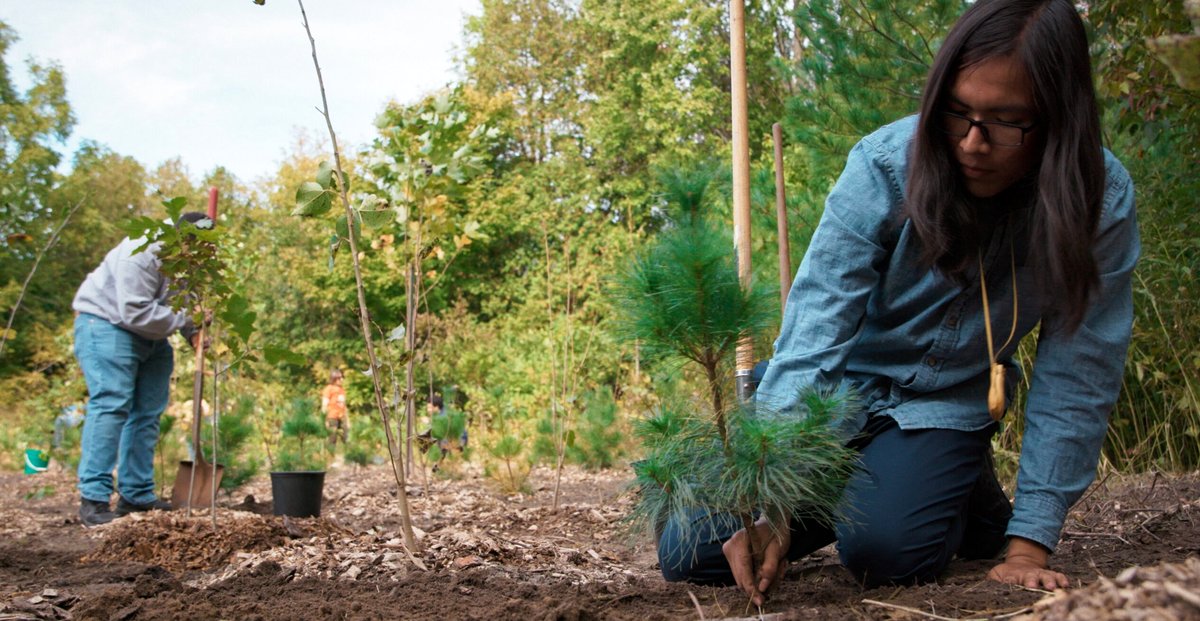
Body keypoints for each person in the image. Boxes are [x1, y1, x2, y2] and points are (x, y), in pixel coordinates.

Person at [657, 0, 1138, 604]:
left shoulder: (1101, 200)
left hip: (947, 404)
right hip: (836, 398)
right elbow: (813, 336)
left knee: (886, 552)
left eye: (1007, 122)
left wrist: (1028, 545)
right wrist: (770, 497)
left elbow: (1079, 372)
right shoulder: (883, 167)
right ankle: (928, 482)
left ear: (1059, 119)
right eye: (955, 113)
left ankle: (933, 483)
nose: (971, 142)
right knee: (690, 547)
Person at [72, 212, 213, 527]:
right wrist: (188, 316)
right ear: (180, 242)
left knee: (148, 412)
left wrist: (193, 330)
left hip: (152, 336)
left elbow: (182, 304)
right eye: (197, 251)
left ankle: (135, 495)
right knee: (111, 403)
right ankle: (93, 499)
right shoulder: (142, 253)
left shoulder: (191, 264)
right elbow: (134, 310)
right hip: (107, 323)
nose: (201, 259)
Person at [321, 369, 349, 451]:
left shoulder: (342, 390)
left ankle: (350, 455)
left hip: (341, 416)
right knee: (332, 438)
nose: (342, 380)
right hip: (332, 416)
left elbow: (344, 405)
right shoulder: (328, 389)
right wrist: (324, 418)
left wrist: (347, 419)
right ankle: (330, 456)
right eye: (339, 378)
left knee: (347, 436)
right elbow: (324, 404)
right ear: (334, 379)